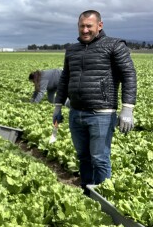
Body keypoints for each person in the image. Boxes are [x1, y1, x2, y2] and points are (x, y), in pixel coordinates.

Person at [53, 10, 137, 195]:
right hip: (76, 112)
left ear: (100, 25)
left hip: (102, 114)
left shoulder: (114, 45)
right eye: (81, 26)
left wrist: (127, 108)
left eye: (89, 26)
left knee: (99, 158)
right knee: (83, 157)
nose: (85, 30)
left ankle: (103, 198)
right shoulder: (72, 50)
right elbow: (65, 79)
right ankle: (87, 192)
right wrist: (58, 106)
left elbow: (129, 75)